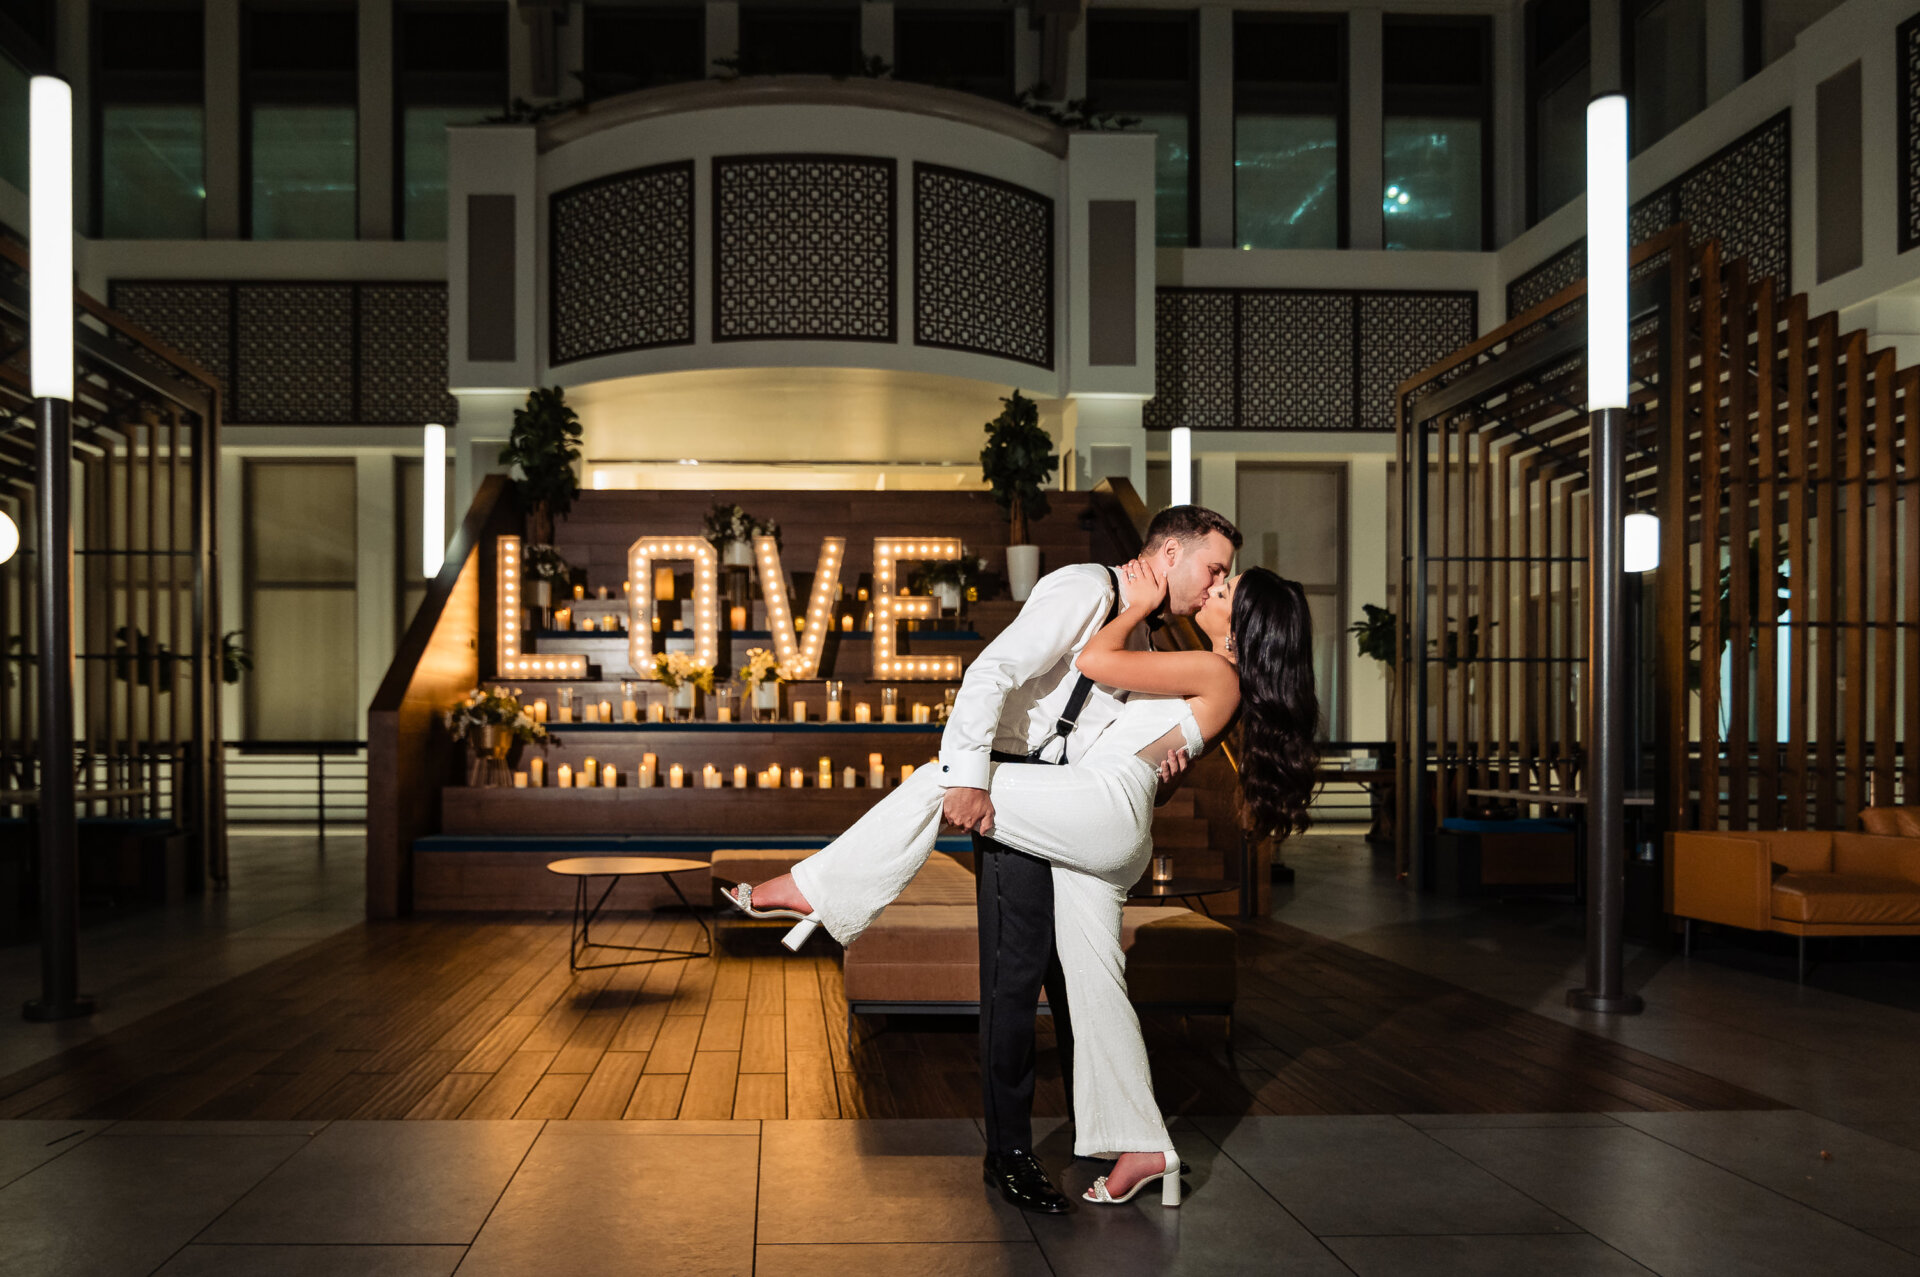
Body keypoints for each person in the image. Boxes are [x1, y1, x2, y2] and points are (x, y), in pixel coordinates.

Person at [729, 557, 1320, 1208]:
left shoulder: (1213, 669)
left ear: (1242, 624)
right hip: (1108, 818)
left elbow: (1095, 659)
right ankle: (1143, 1144)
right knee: (1095, 979)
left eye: (1226, 588)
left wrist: (1135, 604)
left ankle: (817, 887)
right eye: (1217, 577)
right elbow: (1150, 745)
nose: (1213, 588)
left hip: (1101, 805)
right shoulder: (1209, 674)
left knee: (947, 778)